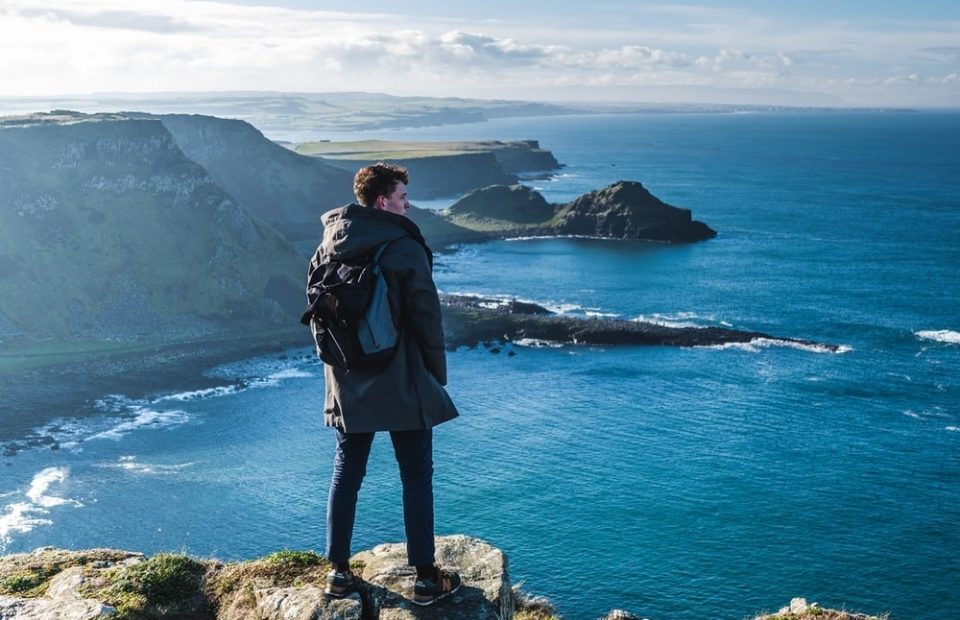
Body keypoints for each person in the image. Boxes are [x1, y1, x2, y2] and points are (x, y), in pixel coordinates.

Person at [310, 162, 461, 606]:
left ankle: (338, 573)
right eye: (401, 197)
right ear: (382, 202)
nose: (407, 204)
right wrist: (436, 373)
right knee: (415, 474)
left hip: (346, 376)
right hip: (401, 377)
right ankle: (426, 578)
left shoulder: (327, 244)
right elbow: (426, 317)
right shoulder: (401, 246)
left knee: (346, 472)